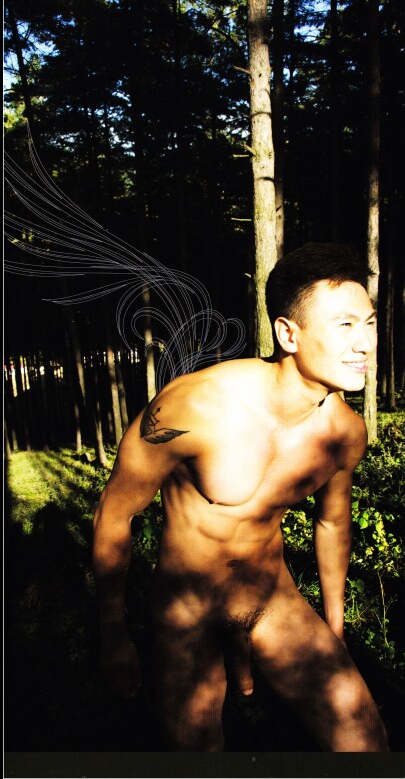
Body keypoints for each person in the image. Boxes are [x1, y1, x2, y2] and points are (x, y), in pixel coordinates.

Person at [92, 242, 389, 752]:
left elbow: (333, 523)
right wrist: (112, 633)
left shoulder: (345, 433)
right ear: (288, 334)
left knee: (365, 741)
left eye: (369, 323)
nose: (364, 343)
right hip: (187, 605)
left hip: (271, 597)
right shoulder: (194, 407)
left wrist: (335, 629)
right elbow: (114, 514)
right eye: (345, 325)